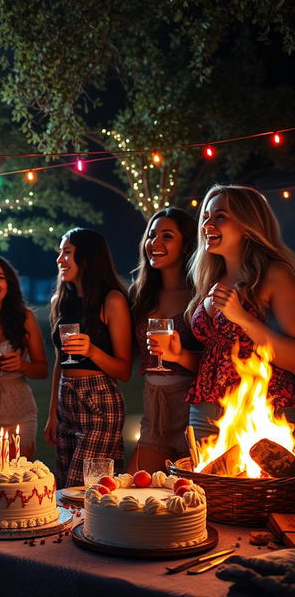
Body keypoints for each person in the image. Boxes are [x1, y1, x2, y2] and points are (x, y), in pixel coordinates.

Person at [162, 185, 295, 440]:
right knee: (201, 481)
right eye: (206, 217)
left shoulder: (274, 275)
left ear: (248, 224)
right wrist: (179, 355)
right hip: (205, 413)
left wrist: (244, 319)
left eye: (220, 216)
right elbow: (219, 359)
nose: (207, 225)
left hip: (262, 412)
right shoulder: (212, 278)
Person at [45, 228, 132, 488]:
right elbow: (59, 363)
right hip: (66, 400)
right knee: (63, 488)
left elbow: (124, 370)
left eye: (67, 252)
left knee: (84, 489)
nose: (60, 259)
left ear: (87, 257)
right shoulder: (61, 301)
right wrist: (52, 414)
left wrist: (92, 351)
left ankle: (92, 531)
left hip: (99, 402)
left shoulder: (112, 300)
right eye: (60, 252)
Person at [126, 208, 200, 473]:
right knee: (136, 489)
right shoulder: (140, 293)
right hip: (153, 409)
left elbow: (217, 362)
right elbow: (126, 354)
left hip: (190, 408)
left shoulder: (199, 293)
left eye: (167, 236)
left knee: (190, 495)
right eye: (152, 235)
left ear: (186, 244)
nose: (155, 243)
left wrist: (178, 356)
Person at [0, 254, 48, 460]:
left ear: (9, 284)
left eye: (0, 277)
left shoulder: (25, 318)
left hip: (18, 409)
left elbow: (42, 370)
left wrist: (21, 365)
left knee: (18, 480)